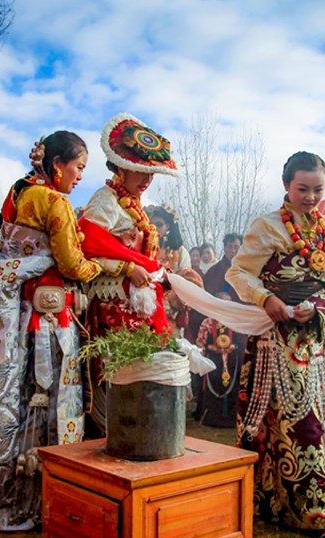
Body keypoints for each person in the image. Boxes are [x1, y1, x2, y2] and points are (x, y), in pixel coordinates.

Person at [0, 131, 101, 531]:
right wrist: (100, 266)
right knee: (41, 396)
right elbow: (71, 263)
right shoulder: (55, 202)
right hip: (39, 318)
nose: (80, 176)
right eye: (78, 167)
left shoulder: (19, 191)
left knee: (5, 395)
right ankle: (31, 494)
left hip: (8, 308)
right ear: (57, 164)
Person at [227, 151, 325, 538]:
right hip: (276, 339)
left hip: (314, 337)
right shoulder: (267, 226)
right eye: (303, 189)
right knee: (277, 424)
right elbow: (238, 272)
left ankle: (302, 507)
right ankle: (291, 507)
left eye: (318, 189)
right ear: (286, 185)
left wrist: (319, 307)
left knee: (306, 419)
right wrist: (267, 298)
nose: (311, 197)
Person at [80, 113, 180, 432]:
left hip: (138, 305)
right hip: (113, 305)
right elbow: (86, 245)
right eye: (140, 171)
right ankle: (112, 433)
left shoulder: (135, 205)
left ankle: (142, 432)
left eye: (151, 173)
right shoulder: (105, 200)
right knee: (119, 369)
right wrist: (126, 267)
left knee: (144, 369)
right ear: (121, 168)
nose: (147, 180)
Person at [194, 292, 247, 427]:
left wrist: (234, 346)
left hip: (233, 360)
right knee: (213, 386)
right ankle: (212, 418)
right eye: (222, 303)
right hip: (214, 359)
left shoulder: (235, 321)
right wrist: (210, 347)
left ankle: (231, 419)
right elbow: (200, 343)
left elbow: (242, 340)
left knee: (234, 388)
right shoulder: (207, 322)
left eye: (228, 303)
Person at [147, 204, 191, 272]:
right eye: (151, 224)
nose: (154, 228)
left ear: (167, 226)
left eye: (159, 224)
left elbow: (187, 275)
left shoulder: (180, 252)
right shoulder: (142, 246)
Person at [202, 233, 243, 300]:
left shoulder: (249, 272)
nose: (233, 250)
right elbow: (204, 293)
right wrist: (217, 296)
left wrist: (232, 299)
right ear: (224, 248)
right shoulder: (213, 271)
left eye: (236, 247)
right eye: (229, 247)